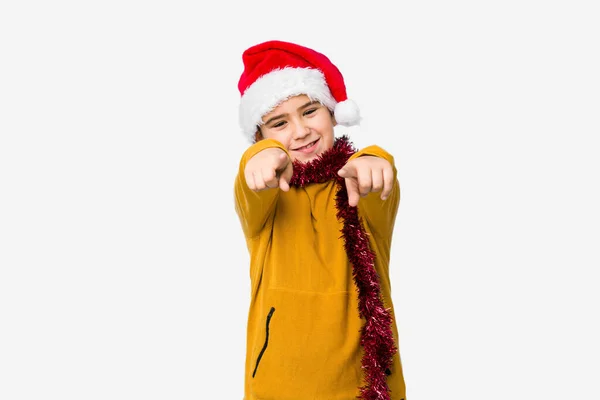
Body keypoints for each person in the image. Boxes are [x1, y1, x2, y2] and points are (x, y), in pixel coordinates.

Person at [233, 40, 407, 400]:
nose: (300, 132)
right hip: (279, 385)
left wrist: (376, 159)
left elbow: (377, 179)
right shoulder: (264, 197)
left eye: (310, 112)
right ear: (260, 135)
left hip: (367, 384)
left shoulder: (357, 181)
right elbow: (252, 182)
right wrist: (261, 155)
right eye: (279, 123)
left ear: (332, 113)